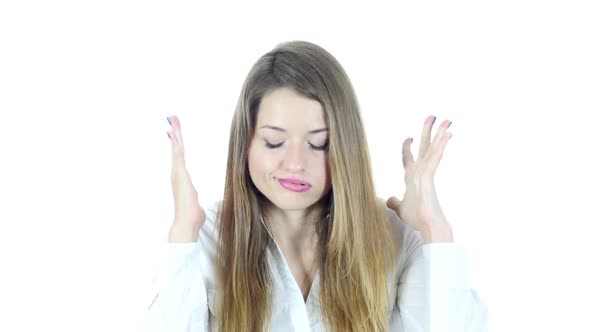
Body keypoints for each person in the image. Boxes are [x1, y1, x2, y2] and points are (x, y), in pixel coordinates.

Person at [143, 41, 487, 331]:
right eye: (274, 142)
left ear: (345, 148)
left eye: (319, 143)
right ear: (245, 143)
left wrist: (434, 231)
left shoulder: (394, 237)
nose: (295, 163)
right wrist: (182, 234)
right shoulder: (205, 238)